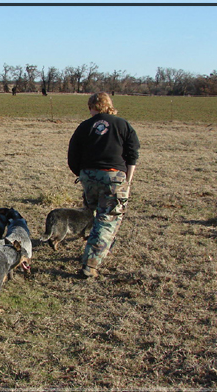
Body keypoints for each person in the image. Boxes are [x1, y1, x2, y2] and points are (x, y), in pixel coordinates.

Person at [67, 92, 140, 278]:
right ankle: (90, 265)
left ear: (91, 107)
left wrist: (83, 175)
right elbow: (132, 155)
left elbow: (72, 155)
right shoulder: (123, 125)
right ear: (109, 105)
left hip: (88, 177)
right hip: (114, 177)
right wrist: (127, 181)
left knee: (93, 214)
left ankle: (98, 248)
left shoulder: (84, 126)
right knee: (107, 219)